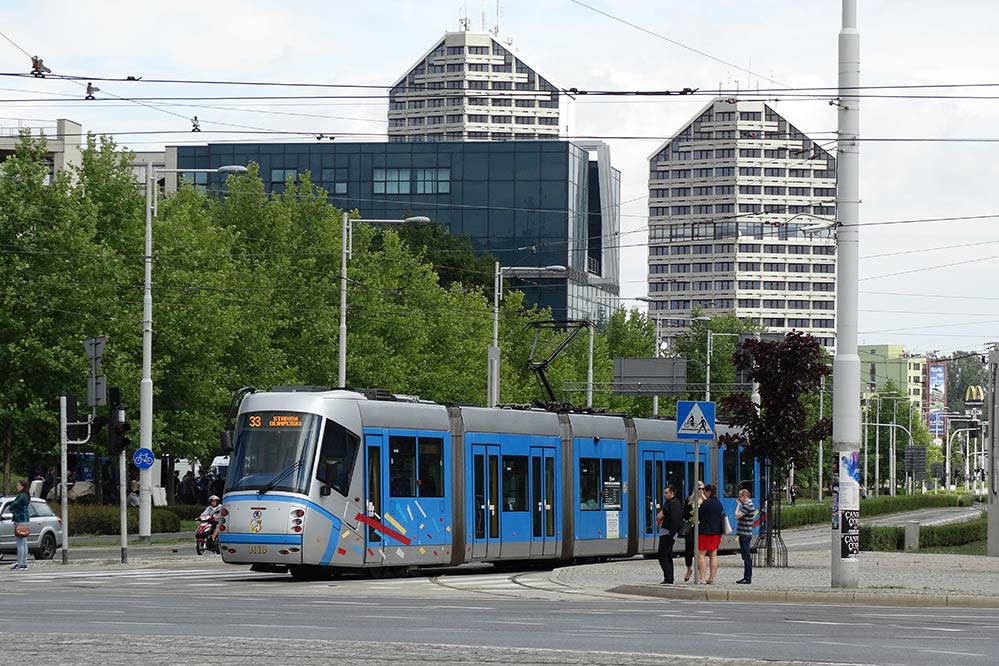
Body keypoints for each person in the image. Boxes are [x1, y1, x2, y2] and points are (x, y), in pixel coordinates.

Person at [696, 483, 724, 585]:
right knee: (713, 555)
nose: (704, 493)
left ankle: (702, 578)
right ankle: (711, 578)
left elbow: (698, 516)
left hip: (705, 532)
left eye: (704, 492)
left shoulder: (705, 503)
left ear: (708, 492)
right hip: (717, 532)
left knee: (701, 555)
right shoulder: (719, 504)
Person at [656, 484, 683, 584]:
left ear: (672, 493)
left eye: (666, 493)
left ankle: (668, 577)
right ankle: (669, 577)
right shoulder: (676, 502)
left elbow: (659, 516)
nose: (664, 495)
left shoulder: (670, 503)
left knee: (662, 555)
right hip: (670, 533)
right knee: (668, 555)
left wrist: (672, 532)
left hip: (667, 533)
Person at [681, 481, 704, 583]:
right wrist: (691, 513)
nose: (701, 491)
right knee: (689, 549)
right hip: (691, 526)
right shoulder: (689, 500)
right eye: (699, 489)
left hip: (701, 527)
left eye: (702, 489)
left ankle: (699, 573)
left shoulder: (705, 500)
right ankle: (689, 569)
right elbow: (684, 514)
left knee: (700, 550)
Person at [734, 488, 756, 585]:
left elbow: (736, 515)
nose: (739, 499)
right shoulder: (749, 505)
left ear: (744, 496)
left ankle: (747, 578)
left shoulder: (747, 505)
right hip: (745, 533)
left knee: (746, 556)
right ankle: (747, 577)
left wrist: (738, 505)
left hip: (745, 534)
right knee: (745, 555)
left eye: (740, 496)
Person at [9, 479, 31, 570]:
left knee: (20, 543)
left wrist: (13, 509)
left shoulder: (21, 496)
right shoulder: (27, 496)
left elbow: (12, 506)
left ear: (23, 487)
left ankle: (21, 564)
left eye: (18, 485)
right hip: (25, 520)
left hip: (20, 520)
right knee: (24, 543)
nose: (17, 487)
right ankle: (24, 563)